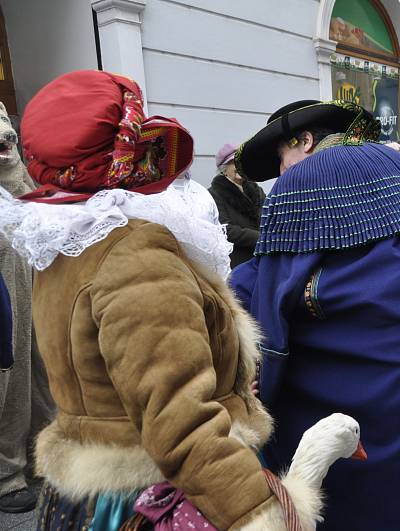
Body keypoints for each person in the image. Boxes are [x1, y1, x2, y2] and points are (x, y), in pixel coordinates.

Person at [0, 70, 316, 530]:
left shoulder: (70, 238)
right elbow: (181, 424)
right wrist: (260, 514)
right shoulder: (131, 254)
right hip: (156, 498)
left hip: (91, 488)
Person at [231, 99, 400, 530]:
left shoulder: (307, 179)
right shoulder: (399, 167)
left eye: (282, 160)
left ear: (303, 141)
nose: (282, 175)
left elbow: (274, 282)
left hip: (380, 413)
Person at [0, 113, 53, 514]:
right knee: (10, 380)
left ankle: (40, 456)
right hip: (6, 297)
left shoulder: (21, 180)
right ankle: (7, 475)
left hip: (36, 287)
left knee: (43, 371)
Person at [208, 142, 267, 267]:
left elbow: (270, 216)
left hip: (262, 258)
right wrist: (260, 238)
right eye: (234, 163)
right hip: (236, 262)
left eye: (242, 163)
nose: (240, 166)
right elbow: (225, 229)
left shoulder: (256, 190)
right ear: (224, 168)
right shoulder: (214, 194)